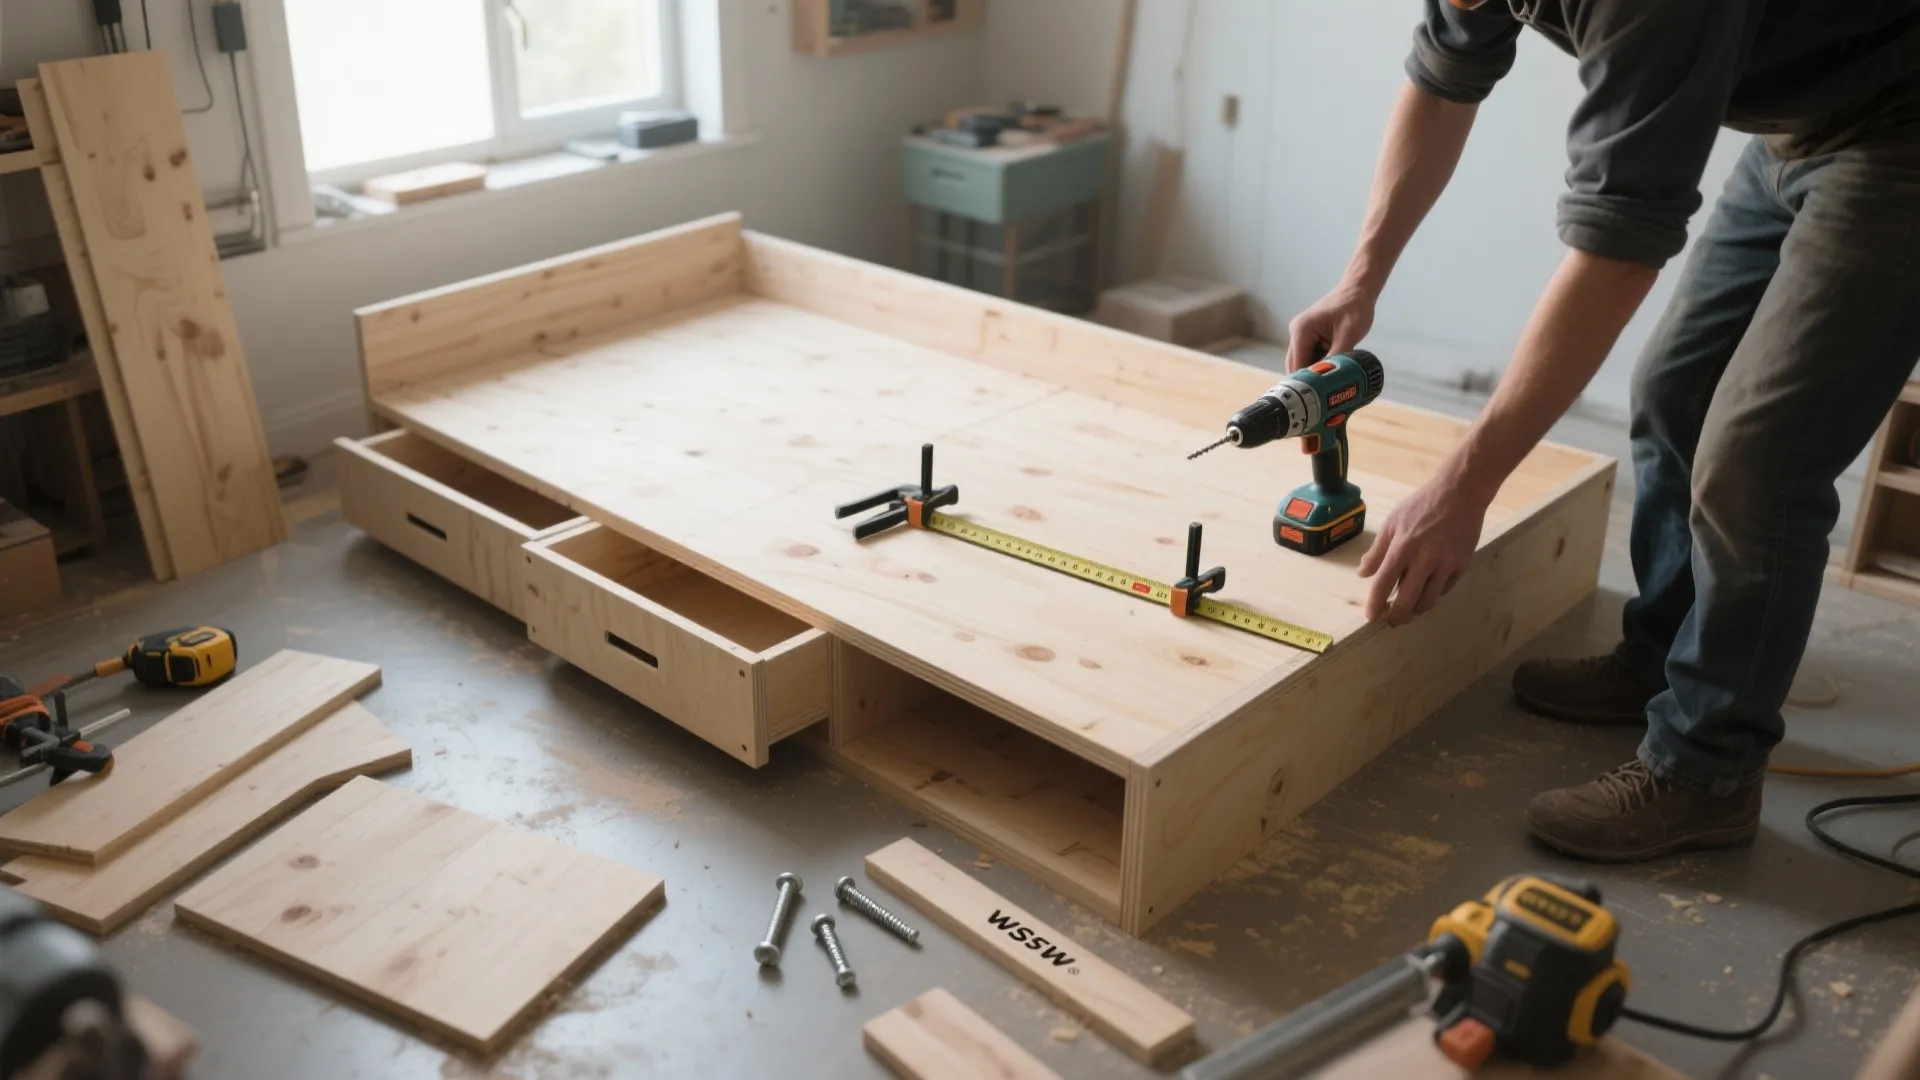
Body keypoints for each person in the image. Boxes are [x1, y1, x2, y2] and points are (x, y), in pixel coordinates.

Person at [1287, 0, 1920, 862]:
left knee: (1756, 462)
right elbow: (1441, 84)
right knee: (1673, 393)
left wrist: (1466, 485)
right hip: (1795, 126)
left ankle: (1708, 769)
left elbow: (1619, 243)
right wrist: (1359, 280)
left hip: (1903, 126)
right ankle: (1662, 659)